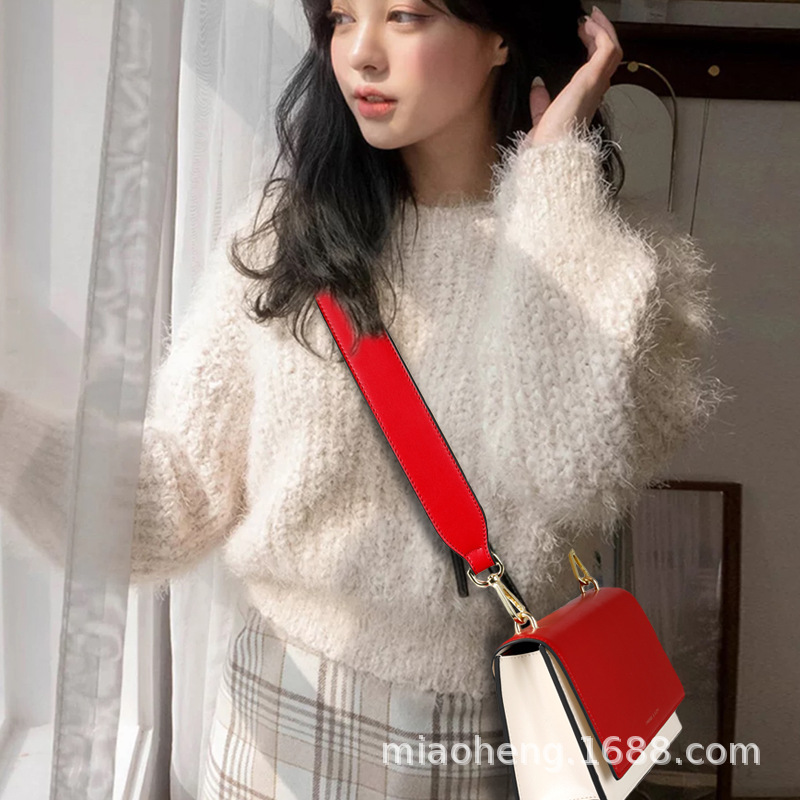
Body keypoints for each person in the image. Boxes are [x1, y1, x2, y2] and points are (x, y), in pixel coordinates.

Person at [0, 0, 728, 797]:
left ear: (501, 34)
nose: (361, 54)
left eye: (403, 16)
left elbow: (566, 470)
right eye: (344, 17)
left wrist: (554, 181)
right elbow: (174, 504)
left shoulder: (617, 263)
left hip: (493, 736)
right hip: (274, 721)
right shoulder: (285, 238)